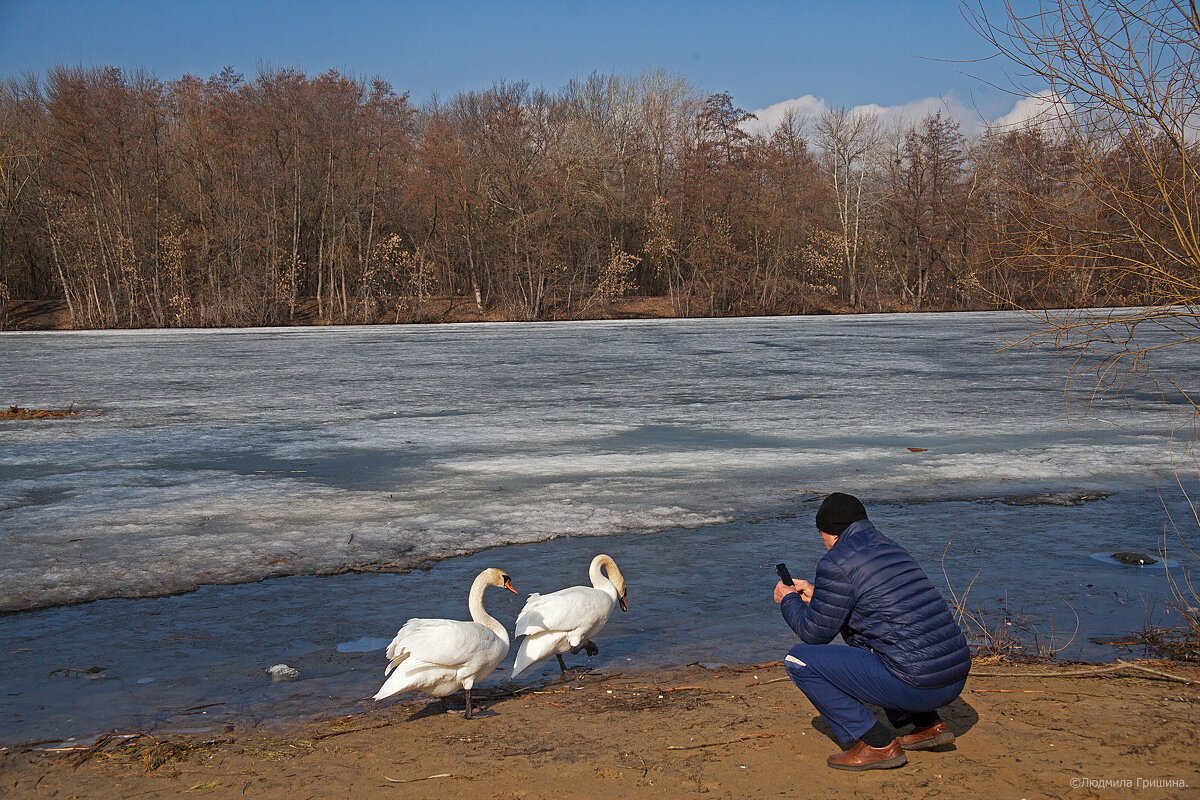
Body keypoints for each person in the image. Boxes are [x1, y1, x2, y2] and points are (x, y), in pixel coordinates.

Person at [773, 492, 971, 771]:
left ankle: (877, 744)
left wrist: (788, 599)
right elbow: (883, 607)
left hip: (919, 684)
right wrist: (819, 595)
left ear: (830, 533)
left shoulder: (836, 561)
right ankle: (927, 724)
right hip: (955, 675)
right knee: (874, 638)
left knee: (799, 660)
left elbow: (814, 634)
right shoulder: (891, 548)